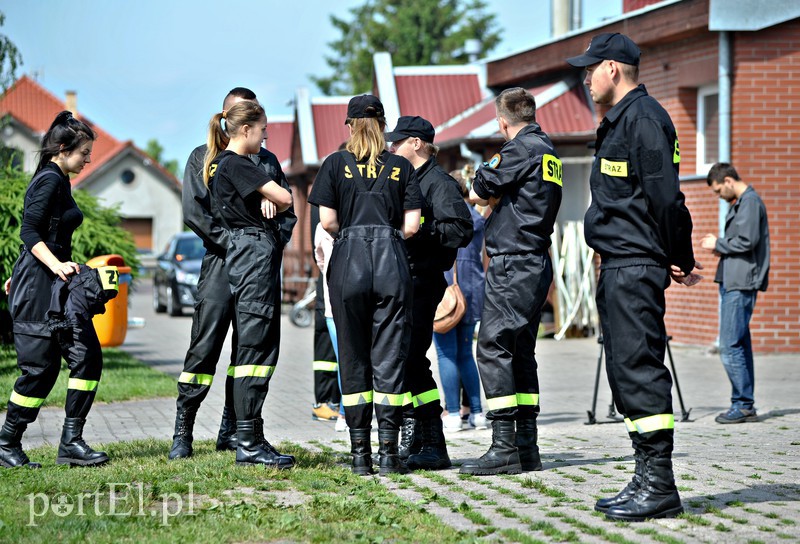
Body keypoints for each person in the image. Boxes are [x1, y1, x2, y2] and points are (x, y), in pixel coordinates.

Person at [567, 32, 703, 521]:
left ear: (613, 69)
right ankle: (645, 475)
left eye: (589, 68)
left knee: (640, 370)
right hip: (620, 264)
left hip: (633, 266)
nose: (584, 77)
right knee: (625, 372)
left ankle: (660, 485)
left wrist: (679, 256)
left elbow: (667, 199)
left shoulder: (645, 121)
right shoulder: (620, 121)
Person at [169, 87, 296, 460]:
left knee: (249, 347)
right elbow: (197, 214)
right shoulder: (202, 158)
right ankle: (183, 432)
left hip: (258, 261)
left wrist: (268, 241)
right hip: (221, 264)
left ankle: (233, 430)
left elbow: (287, 212)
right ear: (227, 116)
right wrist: (236, 243)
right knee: (204, 347)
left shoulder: (266, 159)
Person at [308, 95, 422, 476]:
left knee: (353, 356)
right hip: (392, 260)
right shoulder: (401, 165)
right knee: (389, 357)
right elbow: (411, 227)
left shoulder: (334, 164)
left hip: (349, 262)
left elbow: (326, 222)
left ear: (350, 125)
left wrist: (355, 235)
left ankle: (360, 455)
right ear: (383, 125)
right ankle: (389, 453)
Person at [459, 88, 562, 478]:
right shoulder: (548, 150)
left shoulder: (519, 150)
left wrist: (485, 177)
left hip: (513, 263)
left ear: (502, 122)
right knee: (520, 350)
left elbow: (480, 190)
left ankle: (503, 447)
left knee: (492, 345)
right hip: (535, 261)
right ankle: (526, 446)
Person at [1, 111, 111, 468]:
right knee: (40, 370)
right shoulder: (49, 180)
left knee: (87, 357)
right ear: (63, 149)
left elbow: (44, 235)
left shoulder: (58, 179)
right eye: (84, 153)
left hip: (50, 283)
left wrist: (56, 264)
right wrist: (53, 266)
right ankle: (7, 443)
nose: (88, 160)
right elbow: (29, 233)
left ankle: (71, 442)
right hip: (39, 288)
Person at [204, 100, 295, 468]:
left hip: (248, 252)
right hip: (253, 253)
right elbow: (286, 198)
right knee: (255, 350)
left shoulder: (223, 164)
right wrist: (265, 192)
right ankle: (248, 442)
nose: (265, 135)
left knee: (256, 349)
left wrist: (261, 194)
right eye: (262, 130)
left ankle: (252, 435)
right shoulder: (237, 163)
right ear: (246, 131)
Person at [386, 116, 473, 471]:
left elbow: (460, 230)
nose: (391, 148)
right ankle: (422, 437)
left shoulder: (438, 183)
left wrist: (419, 228)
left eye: (398, 142)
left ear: (417, 144)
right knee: (407, 360)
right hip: (404, 280)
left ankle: (433, 442)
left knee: (410, 358)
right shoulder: (409, 180)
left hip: (424, 282)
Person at [701, 162, 770, 424]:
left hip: (741, 284)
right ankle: (744, 404)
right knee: (739, 344)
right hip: (735, 280)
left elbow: (748, 240)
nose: (718, 196)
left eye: (718, 191)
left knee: (730, 346)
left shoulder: (749, 202)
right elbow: (743, 242)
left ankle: (742, 404)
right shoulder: (743, 203)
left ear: (728, 181)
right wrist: (723, 247)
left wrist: (716, 243)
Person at [433, 166, 487, 433]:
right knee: (467, 354)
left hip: (445, 290)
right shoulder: (477, 219)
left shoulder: (444, 215)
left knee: (445, 355)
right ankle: (477, 413)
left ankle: (453, 412)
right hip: (473, 288)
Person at [313, 220, 348, 432]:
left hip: (333, 304)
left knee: (345, 362)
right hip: (342, 307)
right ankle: (346, 412)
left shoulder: (321, 228)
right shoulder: (358, 218)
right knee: (354, 361)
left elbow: (321, 261)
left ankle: (345, 415)